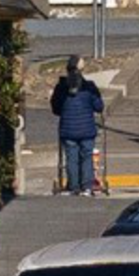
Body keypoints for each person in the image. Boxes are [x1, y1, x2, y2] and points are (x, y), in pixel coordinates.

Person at [48, 59, 104, 195]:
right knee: (86, 156)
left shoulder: (61, 88)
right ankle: (87, 186)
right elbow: (99, 107)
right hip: (87, 129)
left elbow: (56, 109)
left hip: (68, 129)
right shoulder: (89, 87)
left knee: (71, 158)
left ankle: (73, 186)